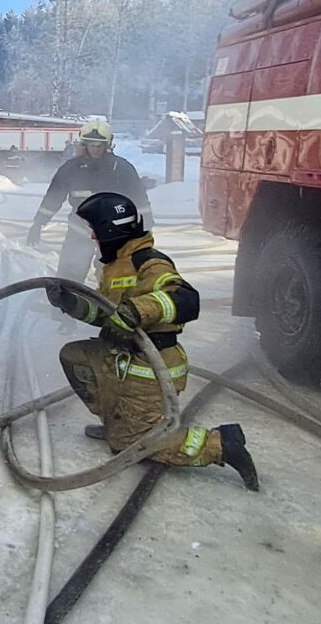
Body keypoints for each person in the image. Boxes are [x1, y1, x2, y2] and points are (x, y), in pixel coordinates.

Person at [46, 191, 259, 490]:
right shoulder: (116, 266)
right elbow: (108, 315)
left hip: (150, 368)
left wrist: (136, 311)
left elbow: (185, 299)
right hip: (123, 358)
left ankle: (222, 444)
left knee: (134, 446)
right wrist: (70, 303)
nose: (93, 238)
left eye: (96, 231)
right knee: (74, 355)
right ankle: (118, 422)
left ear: (110, 231)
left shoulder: (149, 263)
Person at [26, 119, 151, 282]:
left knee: (111, 279)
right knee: (69, 276)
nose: (96, 149)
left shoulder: (122, 168)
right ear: (84, 145)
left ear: (108, 145)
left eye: (100, 146)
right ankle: (67, 305)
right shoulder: (71, 168)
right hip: (79, 230)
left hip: (113, 234)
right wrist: (38, 223)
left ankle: (107, 305)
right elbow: (53, 196)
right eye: (92, 145)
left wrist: (146, 227)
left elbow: (139, 197)